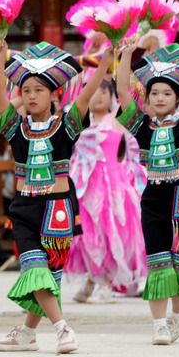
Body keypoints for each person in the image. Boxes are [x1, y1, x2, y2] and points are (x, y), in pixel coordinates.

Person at [0, 39, 111, 355]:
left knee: (47, 276)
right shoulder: (16, 128)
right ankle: (62, 329)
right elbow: (1, 96)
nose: (30, 95)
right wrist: (0, 60)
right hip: (23, 207)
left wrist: (106, 62)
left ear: (54, 93)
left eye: (38, 90)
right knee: (35, 271)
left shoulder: (66, 126)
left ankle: (28, 333)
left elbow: (85, 94)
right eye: (26, 89)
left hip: (57, 209)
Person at [116, 39, 179, 344]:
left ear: (178, 98)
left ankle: (177, 317)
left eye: (167, 93)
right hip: (154, 198)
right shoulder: (142, 127)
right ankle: (159, 324)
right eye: (154, 93)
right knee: (158, 259)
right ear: (146, 100)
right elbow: (122, 90)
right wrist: (125, 55)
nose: (160, 98)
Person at [69, 74, 147, 303]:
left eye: (105, 91)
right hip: (83, 186)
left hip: (112, 186)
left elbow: (135, 101)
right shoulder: (79, 121)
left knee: (109, 234)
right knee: (85, 235)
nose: (100, 96)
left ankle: (104, 285)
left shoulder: (117, 119)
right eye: (94, 91)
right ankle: (93, 280)